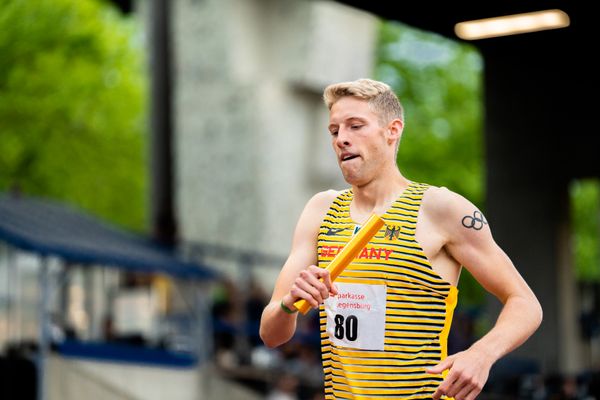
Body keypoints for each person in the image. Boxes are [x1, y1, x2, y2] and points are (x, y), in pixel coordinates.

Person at [259, 78, 542, 399]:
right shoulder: (320, 210)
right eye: (335, 131)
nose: (342, 139)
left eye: (356, 126)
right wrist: (288, 305)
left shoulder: (440, 209)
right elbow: (271, 335)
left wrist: (482, 354)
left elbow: (526, 304)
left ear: (392, 130)